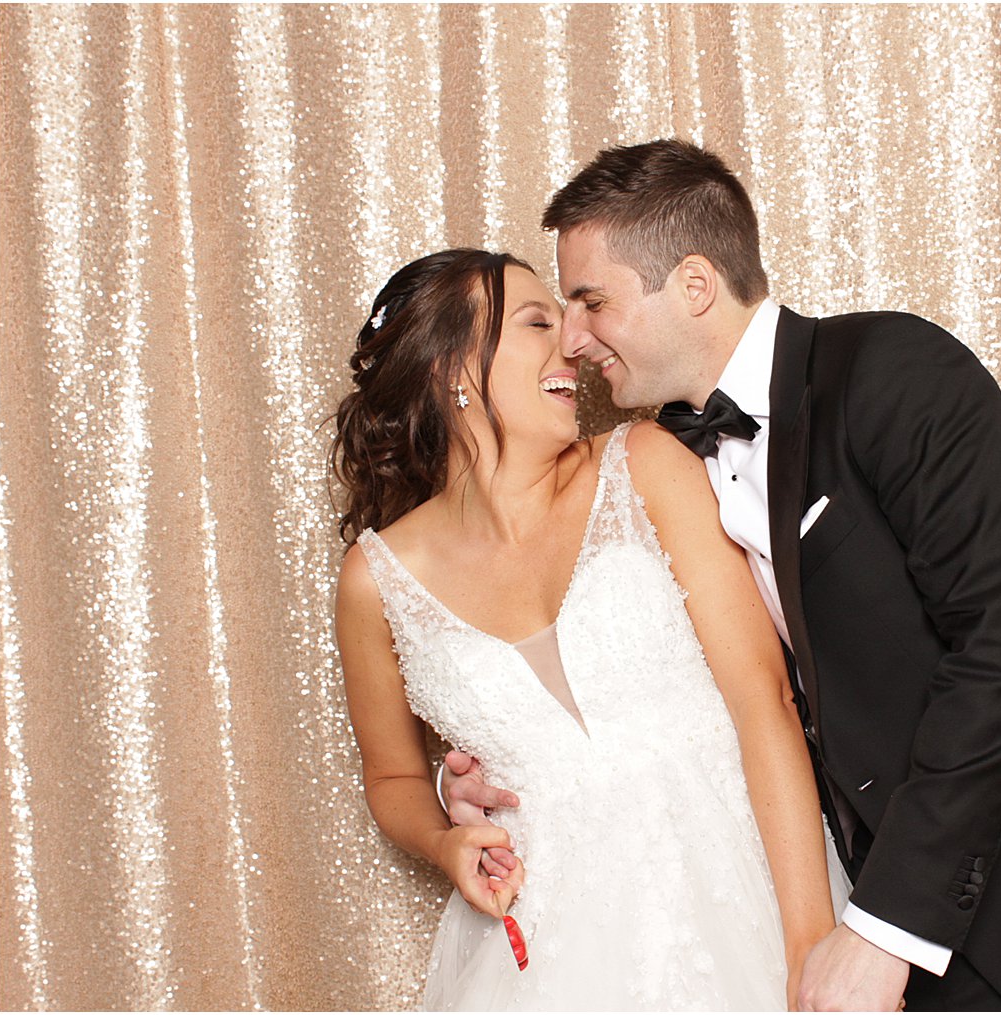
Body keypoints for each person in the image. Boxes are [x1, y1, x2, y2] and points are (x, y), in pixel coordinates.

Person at [444, 139, 1001, 1011]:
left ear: (692, 285)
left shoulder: (895, 372)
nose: (573, 337)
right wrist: (493, 759)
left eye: (590, 300)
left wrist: (881, 929)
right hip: (904, 924)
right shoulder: (659, 467)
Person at [330, 248, 842, 1010]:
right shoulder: (375, 581)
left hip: (743, 898)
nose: (574, 341)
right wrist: (442, 841)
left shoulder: (646, 465)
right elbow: (394, 777)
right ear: (450, 371)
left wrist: (810, 952)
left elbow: (764, 701)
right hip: (548, 952)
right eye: (537, 321)